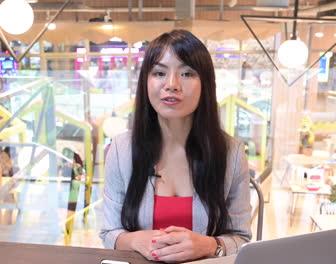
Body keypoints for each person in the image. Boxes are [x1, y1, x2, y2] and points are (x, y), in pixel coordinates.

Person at [99, 30, 251, 263]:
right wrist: (136, 240)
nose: (172, 85)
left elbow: (242, 239)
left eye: (187, 73)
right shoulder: (121, 150)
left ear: (206, 84)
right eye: (159, 72)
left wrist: (210, 245)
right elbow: (109, 232)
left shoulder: (231, 154)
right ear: (145, 82)